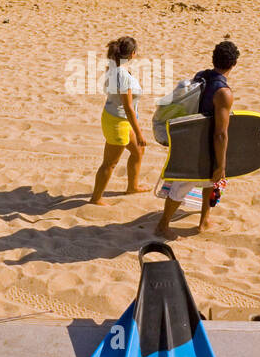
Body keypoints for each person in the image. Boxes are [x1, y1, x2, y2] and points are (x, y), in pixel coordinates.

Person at [155, 40, 238, 239]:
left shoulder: (202, 76)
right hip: (201, 145)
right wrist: (222, 163)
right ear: (234, 64)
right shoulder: (224, 93)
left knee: (211, 182)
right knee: (183, 185)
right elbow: (221, 133)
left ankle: (204, 220)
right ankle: (162, 225)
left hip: (191, 136)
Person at [90, 36, 147, 204]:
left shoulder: (113, 67)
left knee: (138, 151)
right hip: (118, 122)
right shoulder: (123, 75)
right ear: (133, 54)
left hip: (115, 117)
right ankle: (96, 198)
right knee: (109, 163)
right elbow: (128, 107)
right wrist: (139, 132)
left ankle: (132, 187)